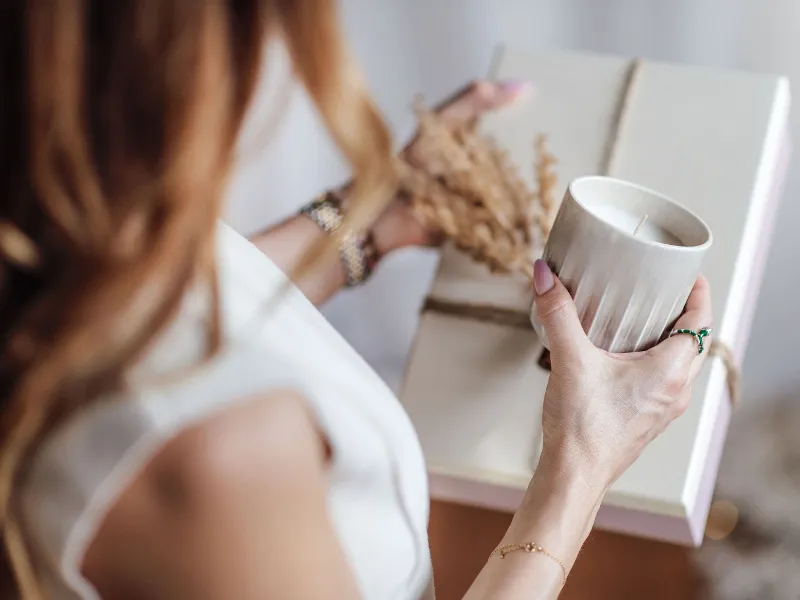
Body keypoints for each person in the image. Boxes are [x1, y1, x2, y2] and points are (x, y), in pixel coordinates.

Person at [0, 2, 713, 599]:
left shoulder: (47, 235)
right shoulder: (222, 454)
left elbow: (162, 305)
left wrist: (369, 222)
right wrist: (580, 467)